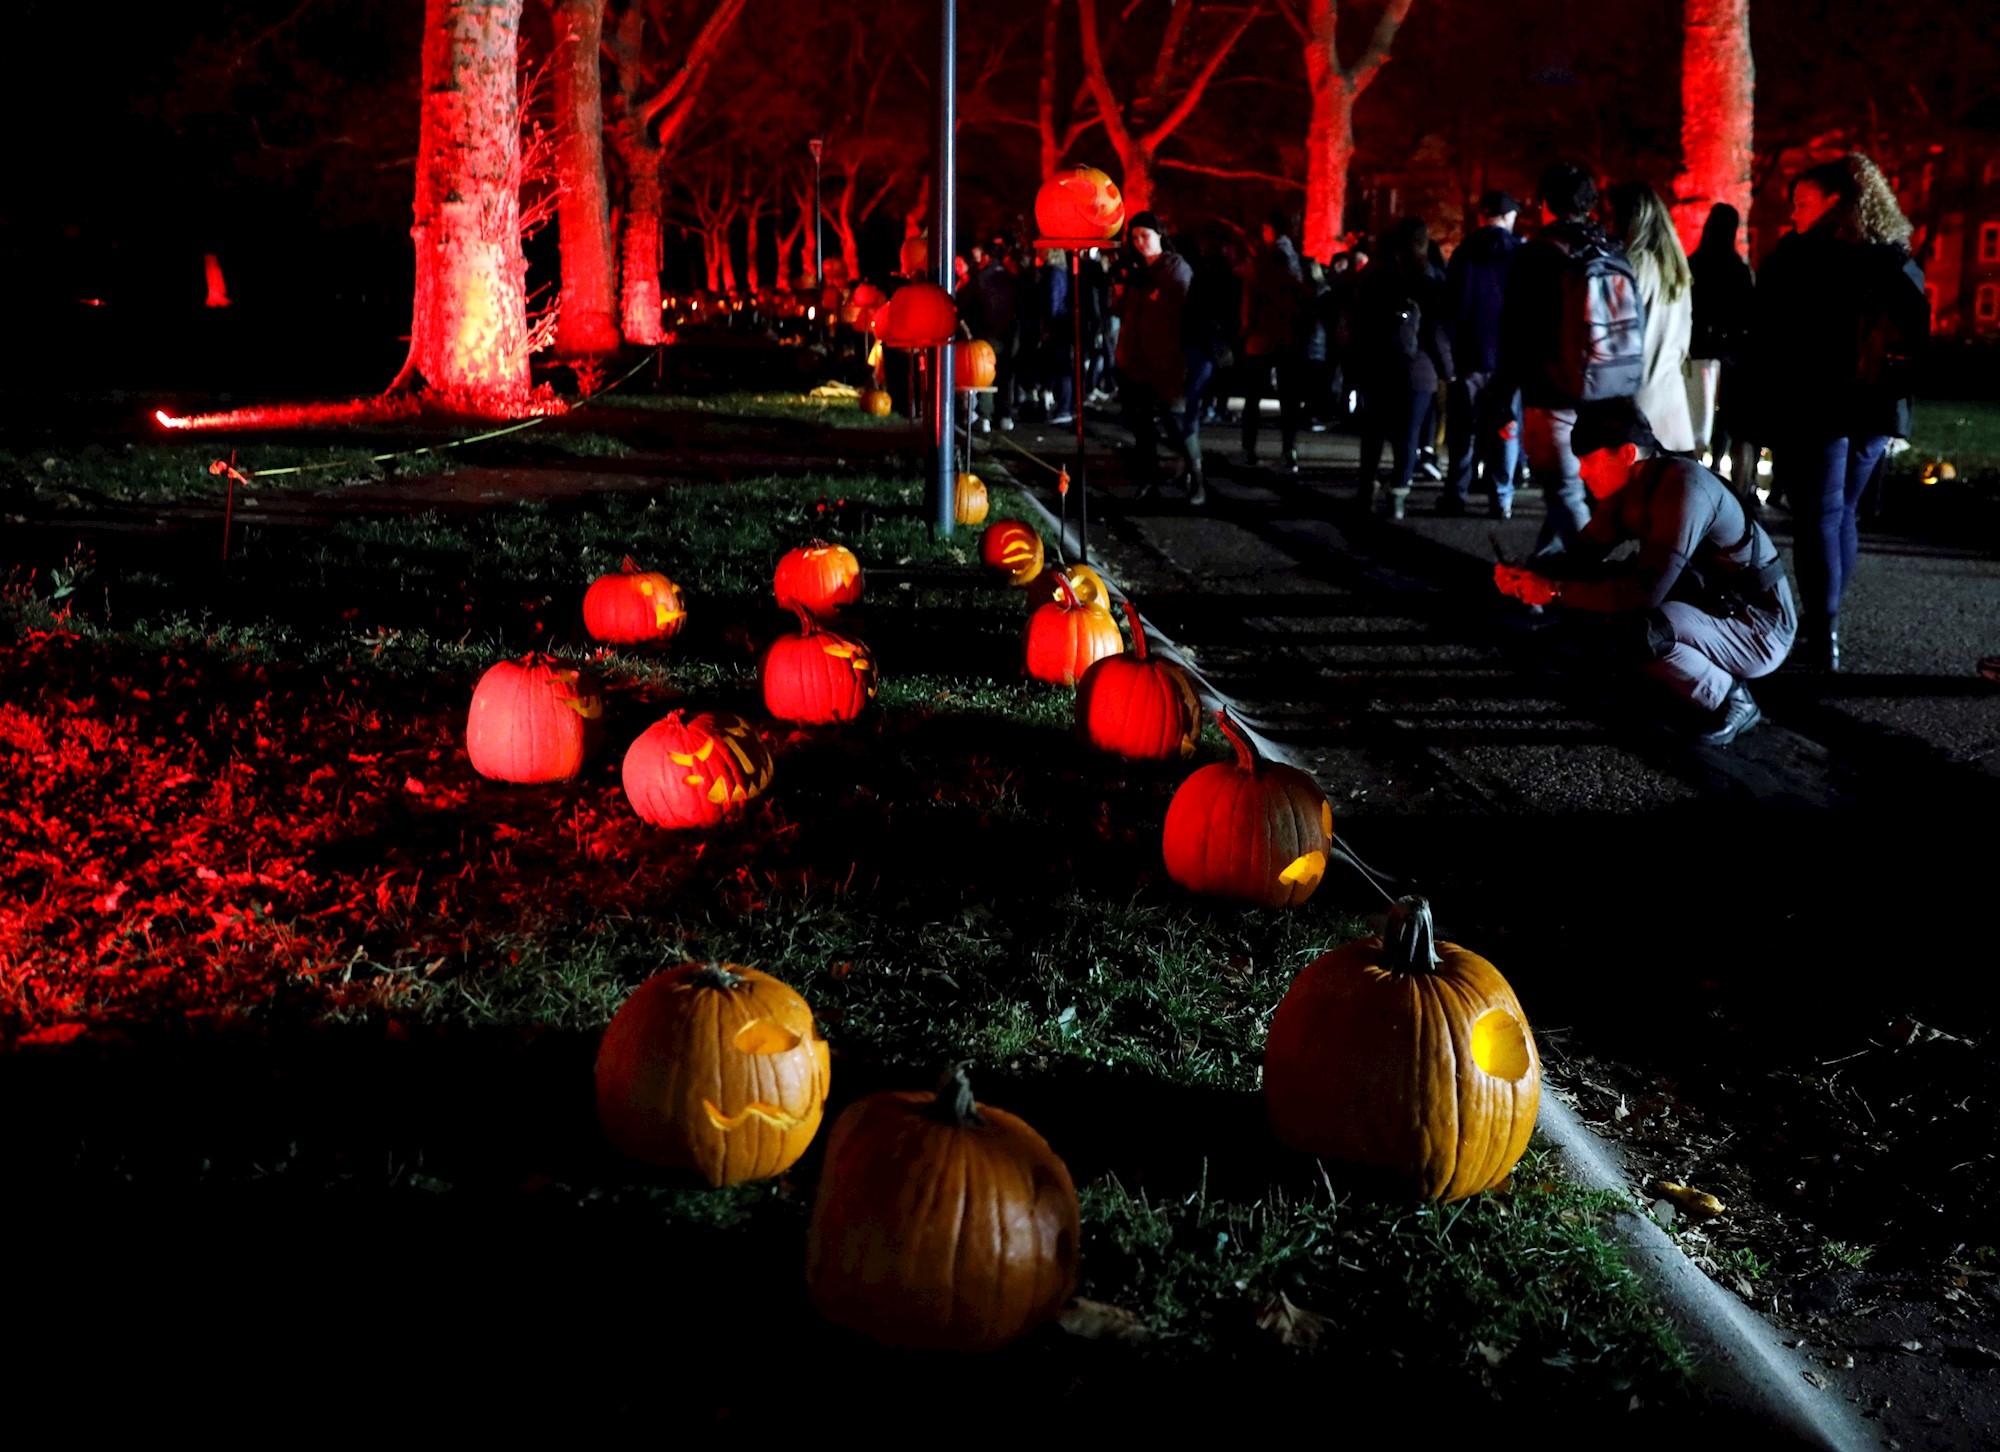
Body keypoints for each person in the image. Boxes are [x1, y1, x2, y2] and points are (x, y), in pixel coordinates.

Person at [1493, 399, 1795, 747]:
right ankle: (1656, 680)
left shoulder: (1682, 488)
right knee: (1601, 588)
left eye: (1588, 462)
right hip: (1711, 607)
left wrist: (1554, 591)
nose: (1582, 473)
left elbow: (1643, 594)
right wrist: (1527, 573)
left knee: (1642, 626)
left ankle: (1730, 697)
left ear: (1624, 455)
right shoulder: (1634, 483)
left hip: (1759, 627)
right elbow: (1582, 557)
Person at [1749, 152, 1929, 670]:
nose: (1795, 213)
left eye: (1803, 202)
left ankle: (1821, 633)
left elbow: (1769, 335)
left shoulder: (1800, 256)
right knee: (1842, 512)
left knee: (1817, 517)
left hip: (1818, 403)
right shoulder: (1893, 255)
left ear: (1836, 201)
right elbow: (1918, 334)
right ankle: (1824, 627)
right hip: (1875, 404)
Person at [1496, 162, 1641, 556]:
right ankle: (1542, 586)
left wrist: (1500, 402)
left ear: (1545, 203)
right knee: (1580, 497)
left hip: (1552, 393)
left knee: (1566, 496)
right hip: (1610, 391)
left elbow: (1516, 332)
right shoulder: (1612, 248)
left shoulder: (1540, 254)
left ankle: (1598, 592)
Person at [1350, 217, 1453, 518]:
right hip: (1418, 372)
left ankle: (1366, 490)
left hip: (1377, 366)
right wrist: (1447, 369)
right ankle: (1397, 497)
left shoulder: (1376, 278)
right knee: (1408, 437)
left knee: (1373, 433)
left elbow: (1359, 323)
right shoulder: (1428, 281)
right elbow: (1436, 332)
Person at [1441, 189, 1521, 519]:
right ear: (1507, 217)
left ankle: (1456, 492)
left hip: (1469, 356)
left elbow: (1452, 309)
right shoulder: (1520, 254)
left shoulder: (1463, 254)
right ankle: (1501, 497)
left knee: (1462, 430)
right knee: (1506, 428)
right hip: (1509, 359)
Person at [1605, 182, 1695, 454]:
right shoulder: (1673, 266)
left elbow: (1616, 331)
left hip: (1637, 404)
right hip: (1671, 403)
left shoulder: (1634, 264)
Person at [1116, 211, 1199, 503]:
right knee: (1142, 425)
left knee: (1175, 420)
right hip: (1137, 359)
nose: (1140, 242)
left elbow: (1174, 305)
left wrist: (1145, 287)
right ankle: (1148, 479)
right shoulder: (1137, 270)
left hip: (1168, 358)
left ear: (1159, 235)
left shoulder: (1174, 267)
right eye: (1135, 237)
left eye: (1145, 236)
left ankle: (1195, 475)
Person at [1686, 203, 1757, 488]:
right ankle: (1737, 491)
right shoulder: (1737, 270)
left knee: (1696, 425)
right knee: (1734, 426)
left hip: (1698, 354)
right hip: (1731, 357)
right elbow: (1748, 314)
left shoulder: (1694, 263)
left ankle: (1694, 486)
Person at [1239, 209, 1311, 472]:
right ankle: (1288, 450)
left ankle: (1249, 449)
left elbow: (1252, 297)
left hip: (1263, 336)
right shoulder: (1299, 261)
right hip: (1290, 336)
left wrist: (1246, 328)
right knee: (1289, 399)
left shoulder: (1263, 261)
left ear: (1270, 230)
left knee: (1254, 396)